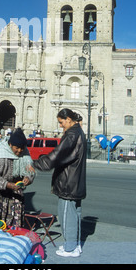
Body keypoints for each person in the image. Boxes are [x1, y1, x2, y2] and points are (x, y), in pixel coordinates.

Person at [31, 108, 86, 258]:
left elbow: (56, 156)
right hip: (75, 181)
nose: (61, 125)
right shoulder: (79, 132)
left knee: (66, 215)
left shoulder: (72, 135)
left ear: (68, 119)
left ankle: (69, 248)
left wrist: (35, 164)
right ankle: (75, 245)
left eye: (61, 122)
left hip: (68, 183)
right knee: (74, 215)